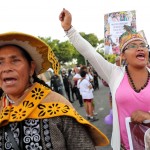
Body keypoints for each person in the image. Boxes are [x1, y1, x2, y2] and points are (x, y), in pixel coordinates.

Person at [59, 8, 150, 150]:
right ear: (123, 55)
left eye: (143, 45)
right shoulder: (114, 73)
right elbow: (90, 53)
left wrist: (148, 116)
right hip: (125, 146)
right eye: (132, 46)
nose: (140, 48)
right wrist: (69, 30)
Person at [0, 32, 109, 149]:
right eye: (0, 62)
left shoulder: (56, 104)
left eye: (15, 60)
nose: (6, 68)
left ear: (31, 68)